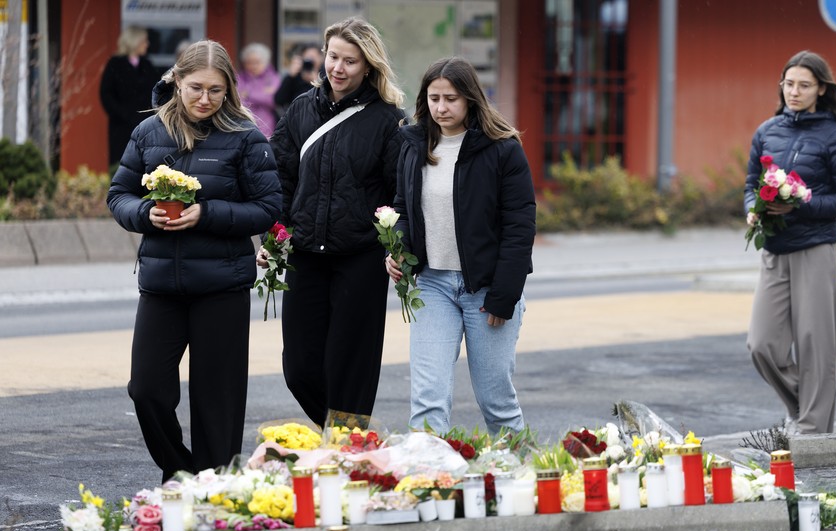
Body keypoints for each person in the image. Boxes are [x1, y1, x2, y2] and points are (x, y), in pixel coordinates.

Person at [107, 40, 282, 482]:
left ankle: (213, 488)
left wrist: (208, 213)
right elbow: (118, 195)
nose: (206, 99)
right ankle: (180, 470)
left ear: (229, 91)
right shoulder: (148, 133)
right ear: (177, 81)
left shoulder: (246, 135)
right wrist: (144, 213)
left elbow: (268, 207)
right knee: (146, 390)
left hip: (222, 287)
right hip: (162, 286)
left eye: (217, 91)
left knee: (216, 403)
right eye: (196, 88)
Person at [265, 17, 406, 429]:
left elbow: (400, 194)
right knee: (300, 369)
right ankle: (348, 437)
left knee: (352, 366)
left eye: (350, 61)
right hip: (305, 255)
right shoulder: (300, 110)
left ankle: (346, 447)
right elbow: (281, 179)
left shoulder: (387, 120)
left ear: (369, 66)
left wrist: (398, 245)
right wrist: (274, 236)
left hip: (360, 258)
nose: (338, 68)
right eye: (333, 57)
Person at [387, 57, 536, 435]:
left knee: (496, 402)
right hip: (432, 286)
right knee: (428, 399)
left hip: (487, 290)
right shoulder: (413, 143)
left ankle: (521, 481)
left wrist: (504, 296)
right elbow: (404, 209)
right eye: (434, 98)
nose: (441, 107)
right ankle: (429, 484)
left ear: (471, 98)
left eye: (450, 98)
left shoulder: (502, 150)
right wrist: (398, 251)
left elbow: (520, 228)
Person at [745, 50, 836, 434]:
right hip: (775, 251)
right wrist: (752, 209)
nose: (794, 92)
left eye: (804, 85)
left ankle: (812, 429)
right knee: (762, 345)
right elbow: (750, 185)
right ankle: (807, 409)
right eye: (789, 84)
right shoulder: (767, 131)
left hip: (816, 250)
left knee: (817, 347)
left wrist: (803, 202)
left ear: (821, 89)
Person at [99, 25, 161, 167]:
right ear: (135, 41)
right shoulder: (115, 64)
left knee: (145, 163)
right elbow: (106, 94)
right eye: (144, 41)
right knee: (121, 163)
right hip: (121, 126)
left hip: (145, 125)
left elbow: (156, 90)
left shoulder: (147, 65)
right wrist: (123, 114)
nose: (147, 44)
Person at [237, 42, 281, 137]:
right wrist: (262, 94)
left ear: (265, 62)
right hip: (244, 125)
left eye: (257, 62)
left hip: (268, 126)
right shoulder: (239, 78)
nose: (253, 66)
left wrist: (249, 95)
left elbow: (273, 100)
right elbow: (239, 102)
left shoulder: (273, 78)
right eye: (249, 62)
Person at [274, 42, 324, 113]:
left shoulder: (325, 74)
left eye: (313, 57)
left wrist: (316, 82)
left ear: (321, 58)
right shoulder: (295, 75)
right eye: (307, 57)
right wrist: (290, 76)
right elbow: (279, 100)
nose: (310, 61)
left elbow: (328, 99)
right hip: (296, 116)